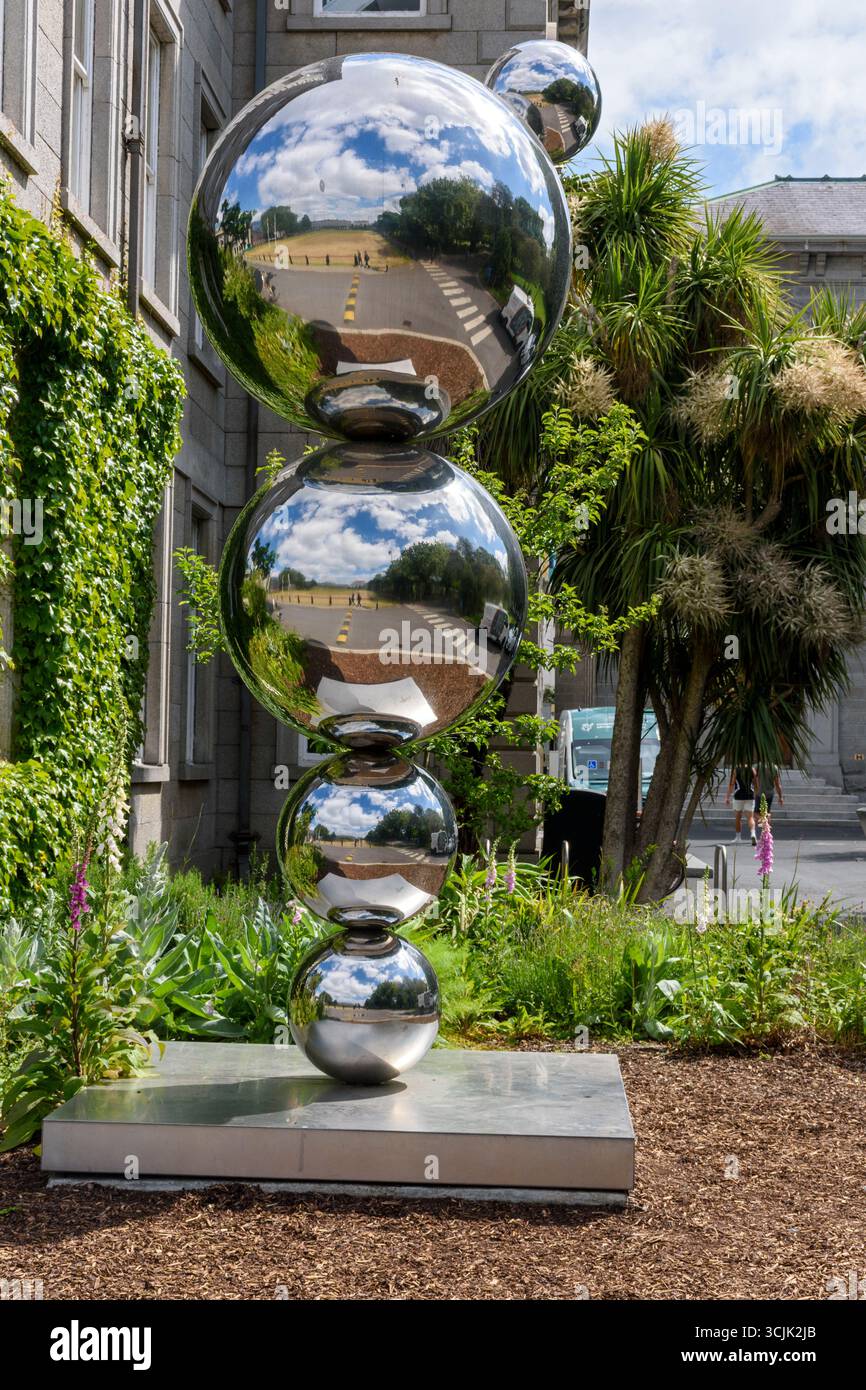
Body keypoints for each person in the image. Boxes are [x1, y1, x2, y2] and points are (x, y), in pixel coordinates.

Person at [724, 764, 757, 843]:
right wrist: (755, 794)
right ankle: (753, 834)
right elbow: (756, 784)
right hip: (750, 795)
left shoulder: (736, 769)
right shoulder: (752, 769)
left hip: (738, 795)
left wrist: (727, 797)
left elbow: (731, 784)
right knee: (750, 817)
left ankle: (738, 838)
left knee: (738, 817)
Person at [754, 763, 784, 841]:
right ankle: (766, 833)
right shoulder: (774, 767)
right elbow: (777, 783)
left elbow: (754, 779)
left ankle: (764, 826)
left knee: (756, 813)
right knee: (767, 813)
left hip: (759, 792)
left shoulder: (758, 766)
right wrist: (780, 797)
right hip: (769, 793)